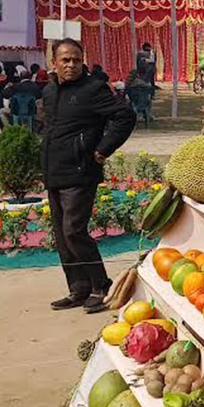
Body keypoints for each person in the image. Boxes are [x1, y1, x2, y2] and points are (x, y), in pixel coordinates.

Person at [44, 39, 135, 312]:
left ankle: (100, 286)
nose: (71, 65)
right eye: (65, 60)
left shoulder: (93, 89)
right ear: (54, 62)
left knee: (74, 231)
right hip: (54, 170)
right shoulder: (49, 91)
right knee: (62, 237)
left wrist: (103, 148)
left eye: (76, 59)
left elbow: (125, 116)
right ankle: (79, 289)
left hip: (81, 171)